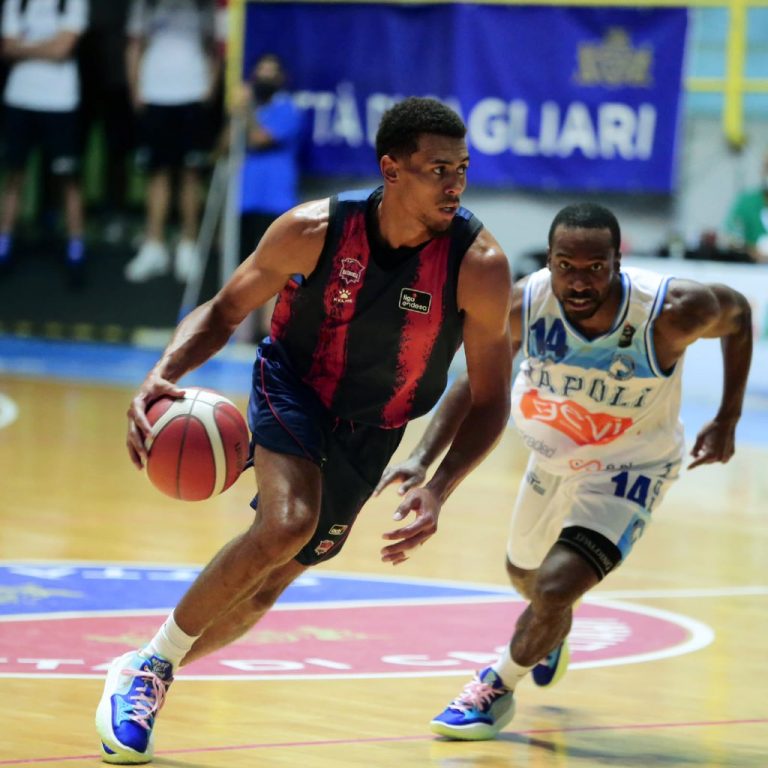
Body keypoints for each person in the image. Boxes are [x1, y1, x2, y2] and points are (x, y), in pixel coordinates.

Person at [95, 96, 514, 764]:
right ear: (392, 169)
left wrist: (440, 486)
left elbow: (491, 398)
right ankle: (149, 671)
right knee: (288, 522)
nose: (455, 183)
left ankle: (148, 664)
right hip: (294, 382)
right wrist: (162, 370)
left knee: (273, 579)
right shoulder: (314, 228)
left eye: (462, 168)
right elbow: (225, 309)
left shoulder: (480, 265)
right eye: (439, 169)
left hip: (375, 426)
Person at [375, 202, 753, 741]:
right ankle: (548, 633)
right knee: (526, 580)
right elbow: (474, 382)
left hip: (630, 470)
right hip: (549, 461)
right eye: (565, 266)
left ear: (617, 261)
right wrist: (421, 458)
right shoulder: (523, 302)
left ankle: (493, 689)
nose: (578, 281)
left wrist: (727, 416)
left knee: (554, 589)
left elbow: (738, 314)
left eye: (594, 267)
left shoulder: (672, 310)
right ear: (548, 261)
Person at [123, 0, 220, 284]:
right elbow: (134, 45)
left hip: (192, 93)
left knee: (190, 174)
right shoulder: (145, 5)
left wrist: (209, 89)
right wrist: (136, 88)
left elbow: (216, 47)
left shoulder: (204, 7)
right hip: (155, 94)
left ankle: (188, 245)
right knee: (157, 173)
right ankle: (154, 245)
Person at [0, 0, 89, 282]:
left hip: (60, 101)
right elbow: (7, 47)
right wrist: (47, 47)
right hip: (20, 98)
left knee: (68, 178)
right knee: (15, 175)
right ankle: (5, 244)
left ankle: (75, 247)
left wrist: (25, 48)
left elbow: (64, 48)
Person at [232, 52, 303, 337]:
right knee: (244, 268)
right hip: (244, 200)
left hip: (274, 201)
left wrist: (246, 110)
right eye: (260, 70)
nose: (265, 77)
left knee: (272, 271)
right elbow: (224, 147)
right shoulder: (247, 111)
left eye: (271, 72)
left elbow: (260, 140)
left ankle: (268, 330)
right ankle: (242, 332)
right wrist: (235, 113)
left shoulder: (288, 109)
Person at [722, 152, 768, 264]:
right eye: (767, 167)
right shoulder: (746, 202)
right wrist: (753, 252)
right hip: (749, 270)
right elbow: (729, 237)